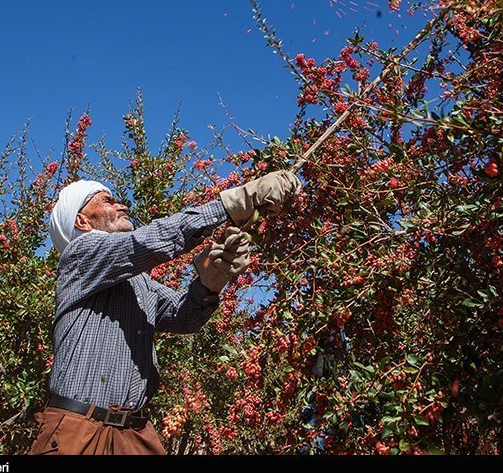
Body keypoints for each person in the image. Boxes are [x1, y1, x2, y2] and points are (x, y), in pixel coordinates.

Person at [28, 171, 301, 455]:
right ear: (82, 221)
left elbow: (182, 317)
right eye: (107, 200)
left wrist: (209, 283)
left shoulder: (137, 282)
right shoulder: (80, 255)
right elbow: (145, 243)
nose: (122, 205)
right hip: (78, 430)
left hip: (133, 433)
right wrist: (235, 202)